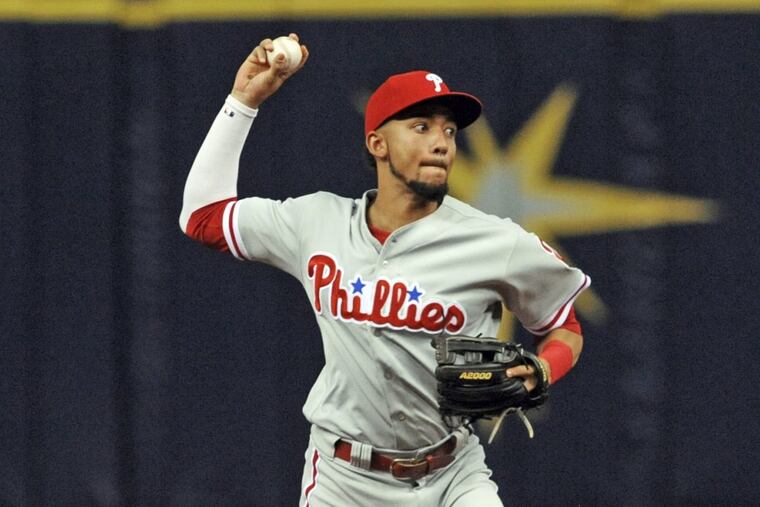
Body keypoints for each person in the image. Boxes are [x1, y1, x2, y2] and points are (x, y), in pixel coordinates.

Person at [179, 33, 589, 507]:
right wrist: (243, 102)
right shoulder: (316, 222)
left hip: (453, 476)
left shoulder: (497, 242)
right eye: (421, 127)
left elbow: (565, 324)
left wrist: (543, 368)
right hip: (342, 480)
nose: (441, 143)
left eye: (449, 131)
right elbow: (201, 216)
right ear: (377, 142)